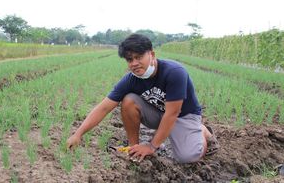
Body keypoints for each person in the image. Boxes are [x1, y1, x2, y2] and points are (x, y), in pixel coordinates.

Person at [66, 34, 216, 163]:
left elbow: (172, 114)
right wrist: (78, 134)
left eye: (139, 57)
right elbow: (104, 107)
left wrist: (151, 146)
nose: (134, 63)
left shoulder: (174, 72)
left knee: (188, 157)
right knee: (129, 100)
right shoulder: (131, 79)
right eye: (130, 60)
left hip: (183, 116)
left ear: (152, 54)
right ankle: (134, 147)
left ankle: (201, 131)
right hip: (159, 113)